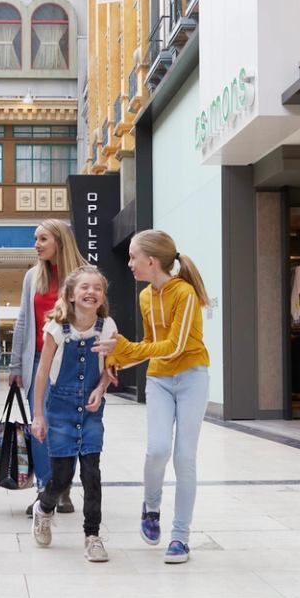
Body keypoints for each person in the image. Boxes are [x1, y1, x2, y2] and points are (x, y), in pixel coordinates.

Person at [95, 228, 212, 564]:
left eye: (133, 257)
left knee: (185, 458)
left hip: (192, 378)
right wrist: (118, 356)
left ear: (151, 260)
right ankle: (152, 506)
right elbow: (151, 344)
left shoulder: (185, 293)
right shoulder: (146, 296)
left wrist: (126, 349)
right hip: (160, 379)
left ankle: (180, 537)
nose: (129, 264)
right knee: (158, 449)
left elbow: (174, 346)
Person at [29, 267, 116, 561]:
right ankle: (44, 509)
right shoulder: (57, 328)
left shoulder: (106, 327)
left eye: (97, 288)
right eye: (85, 287)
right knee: (62, 476)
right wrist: (38, 415)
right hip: (61, 409)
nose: (91, 292)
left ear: (102, 296)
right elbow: (42, 373)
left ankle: (92, 535)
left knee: (92, 473)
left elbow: (110, 369)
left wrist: (101, 388)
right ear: (71, 295)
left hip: (91, 411)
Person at [8, 219, 87, 518]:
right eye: (35, 239)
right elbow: (23, 321)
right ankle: (45, 490)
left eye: (42, 239)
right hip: (38, 359)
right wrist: (16, 364)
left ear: (60, 240)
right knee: (39, 426)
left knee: (66, 428)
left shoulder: (83, 275)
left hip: (72, 360)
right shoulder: (32, 277)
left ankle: (63, 488)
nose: (36, 244)